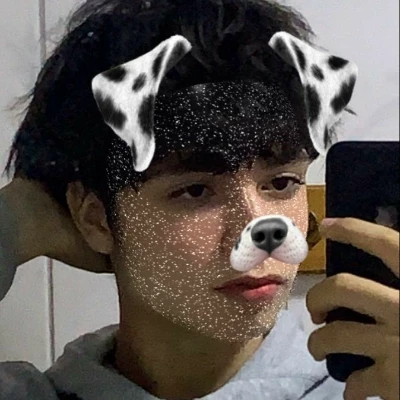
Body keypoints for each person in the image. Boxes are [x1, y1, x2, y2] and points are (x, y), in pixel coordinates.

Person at [0, 1, 398, 399]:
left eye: (281, 184)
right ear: (95, 218)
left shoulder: (375, 387)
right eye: (195, 191)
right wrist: (19, 220)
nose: (258, 230)